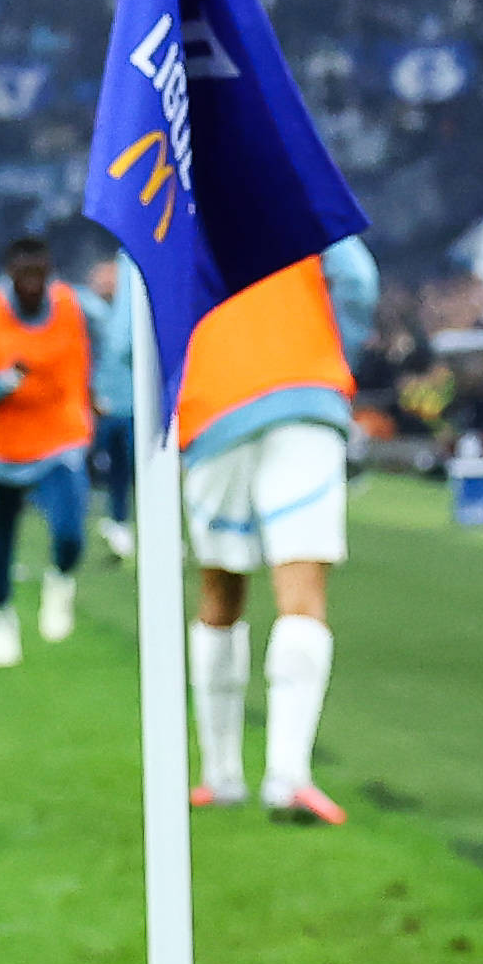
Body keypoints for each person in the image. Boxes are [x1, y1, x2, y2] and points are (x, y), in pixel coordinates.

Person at [174, 233, 380, 824]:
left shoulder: (166, 190)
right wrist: (330, 355)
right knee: (301, 593)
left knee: (219, 590)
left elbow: (133, 326)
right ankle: (287, 777)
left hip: (212, 403)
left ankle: (220, 775)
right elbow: (357, 279)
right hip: (303, 395)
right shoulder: (293, 187)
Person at [0, 229, 101, 666]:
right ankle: (1, 619)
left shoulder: (76, 306)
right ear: (10, 275)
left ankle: (61, 579)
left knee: (71, 532)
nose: (34, 285)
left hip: (60, 441)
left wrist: (105, 388)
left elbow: (117, 336)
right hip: (0, 451)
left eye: (41, 275)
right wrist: (1, 384)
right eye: (25, 277)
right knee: (0, 543)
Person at [76, 247, 140, 559]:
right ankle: (100, 521)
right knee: (93, 465)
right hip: (101, 406)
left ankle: (126, 522)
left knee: (129, 469)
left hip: (131, 408)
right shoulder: (91, 313)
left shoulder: (129, 314)